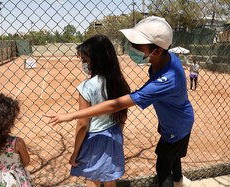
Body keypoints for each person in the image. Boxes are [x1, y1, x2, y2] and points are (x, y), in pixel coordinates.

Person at [43, 16, 194, 187]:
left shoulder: (166, 80)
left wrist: (71, 115)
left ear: (157, 51)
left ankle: (174, 182)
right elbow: (121, 115)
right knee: (172, 156)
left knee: (163, 165)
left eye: (138, 46)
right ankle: (180, 181)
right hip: (174, 120)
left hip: (176, 125)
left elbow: (116, 105)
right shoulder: (166, 58)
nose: (132, 49)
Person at [68, 34, 130, 187]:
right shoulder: (120, 83)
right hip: (114, 135)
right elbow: (122, 117)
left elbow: (83, 124)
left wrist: (75, 152)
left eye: (85, 60)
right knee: (110, 179)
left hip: (93, 139)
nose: (83, 64)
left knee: (92, 178)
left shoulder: (87, 86)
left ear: (97, 60)